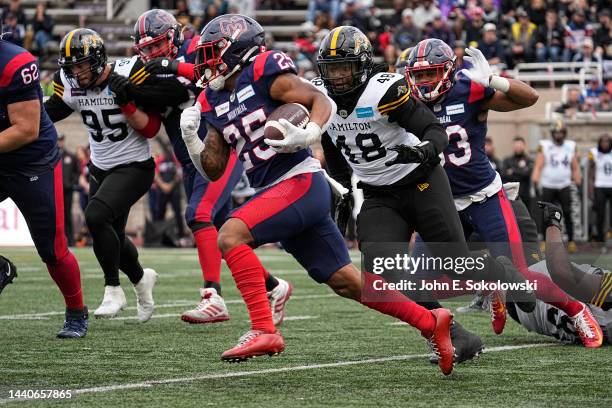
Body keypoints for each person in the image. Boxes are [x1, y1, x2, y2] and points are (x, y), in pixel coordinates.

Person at [180, 15, 456, 375]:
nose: (206, 62)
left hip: (300, 181)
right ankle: (431, 322)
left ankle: (264, 329)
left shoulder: (263, 70)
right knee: (348, 282)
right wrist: (192, 141)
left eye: (213, 53)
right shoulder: (210, 99)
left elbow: (317, 98)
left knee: (230, 235)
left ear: (239, 49)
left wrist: (309, 134)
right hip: (273, 190)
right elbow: (214, 168)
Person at [313, 26, 537, 363]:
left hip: (422, 183)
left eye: (344, 67)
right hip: (379, 193)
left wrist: (426, 151)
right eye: (332, 69)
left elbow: (433, 129)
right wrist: (343, 190)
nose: (339, 76)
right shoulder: (321, 100)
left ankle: (499, 271)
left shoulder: (384, 90)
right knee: (382, 275)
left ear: (361, 64)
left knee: (457, 264)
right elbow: (334, 149)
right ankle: (450, 333)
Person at [405, 39, 589, 339]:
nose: (424, 82)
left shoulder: (468, 88)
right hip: (442, 202)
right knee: (415, 283)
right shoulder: (408, 104)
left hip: (484, 196)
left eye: (432, 73)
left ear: (449, 71)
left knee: (522, 275)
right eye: (419, 75)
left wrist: (493, 80)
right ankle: (460, 324)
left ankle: (576, 310)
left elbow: (530, 98)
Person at [136, 9, 292, 325]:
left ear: (172, 36)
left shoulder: (198, 47)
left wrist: (170, 65)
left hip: (222, 149)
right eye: (147, 49)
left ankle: (212, 296)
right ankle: (274, 287)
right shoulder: (149, 71)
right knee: (220, 229)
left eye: (157, 46)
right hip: (191, 158)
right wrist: (130, 95)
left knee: (198, 213)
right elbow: (151, 125)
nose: (153, 53)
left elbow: (214, 74)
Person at [44, 29, 160, 322]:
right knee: (114, 237)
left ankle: (113, 289)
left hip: (134, 165)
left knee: (95, 216)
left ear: (97, 58)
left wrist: (129, 99)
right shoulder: (68, 84)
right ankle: (140, 279)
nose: (75, 71)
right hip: (100, 167)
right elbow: (46, 114)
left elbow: (152, 128)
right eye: (70, 66)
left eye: (81, 64)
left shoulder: (129, 71)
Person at [0, 37, 87, 338]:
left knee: (53, 249)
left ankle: (76, 312)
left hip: (32, 162)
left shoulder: (14, 63)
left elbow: (26, 129)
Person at [538, 201, 611, 319]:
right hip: (536, 301)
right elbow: (561, 272)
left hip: (536, 309)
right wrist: (553, 222)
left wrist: (553, 222)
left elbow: (561, 272)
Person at [531, 120, 581, 252]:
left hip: (564, 185)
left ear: (564, 133)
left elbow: (575, 167)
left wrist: (578, 182)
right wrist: (535, 181)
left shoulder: (571, 146)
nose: (558, 135)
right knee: (545, 214)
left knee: (568, 213)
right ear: (552, 133)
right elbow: (538, 165)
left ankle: (571, 240)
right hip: (548, 185)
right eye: (556, 132)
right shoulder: (545, 145)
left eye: (561, 132)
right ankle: (543, 240)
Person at [588, 134, 612, 245]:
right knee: (600, 213)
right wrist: (590, 190)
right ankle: (600, 238)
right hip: (600, 186)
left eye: (607, 141)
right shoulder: (594, 153)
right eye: (603, 141)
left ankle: (610, 234)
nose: (605, 144)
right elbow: (591, 174)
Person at [58, 134, 80, 246]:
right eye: (58, 140)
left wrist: (72, 183)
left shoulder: (70, 156)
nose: (59, 143)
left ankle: (70, 240)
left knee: (67, 214)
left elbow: (77, 171)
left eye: (61, 140)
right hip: (56, 190)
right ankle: (58, 240)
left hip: (67, 190)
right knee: (56, 215)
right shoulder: (52, 155)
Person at [501, 136, 533, 208]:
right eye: (516, 145)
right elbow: (503, 174)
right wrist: (520, 171)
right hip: (510, 196)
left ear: (524, 146)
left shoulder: (529, 160)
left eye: (520, 145)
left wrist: (513, 171)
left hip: (525, 196)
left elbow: (527, 174)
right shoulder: (507, 160)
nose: (518, 147)